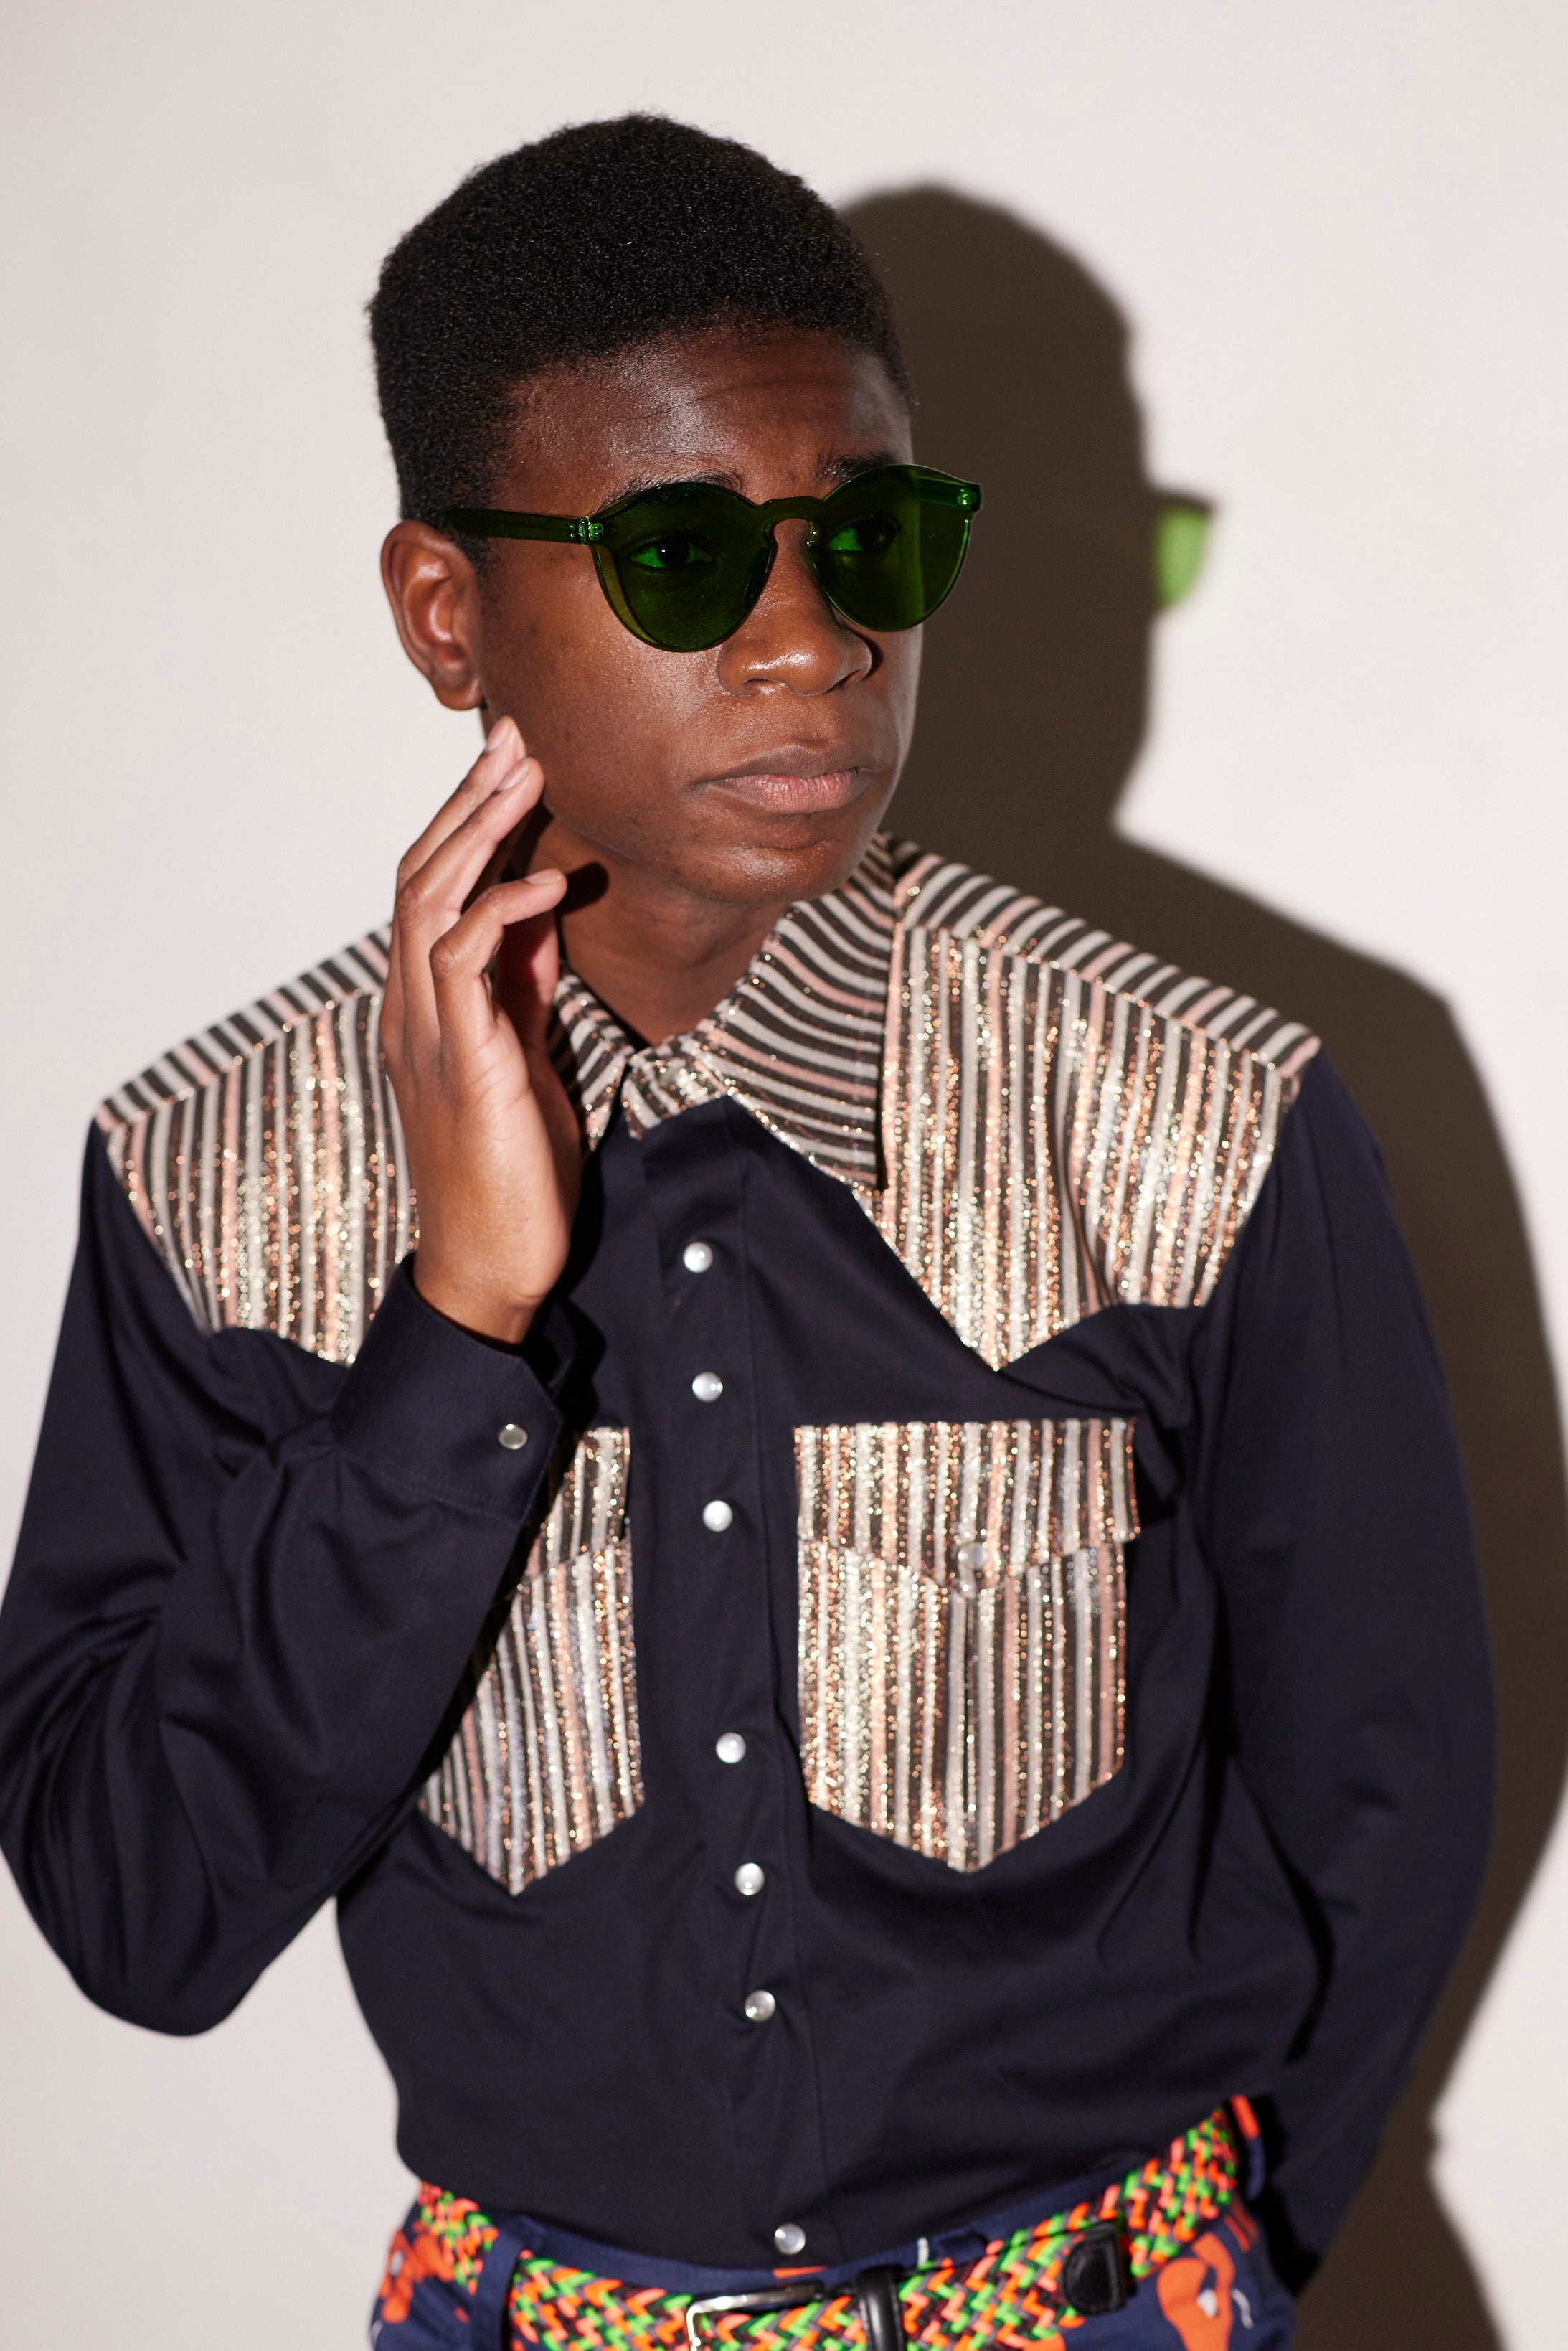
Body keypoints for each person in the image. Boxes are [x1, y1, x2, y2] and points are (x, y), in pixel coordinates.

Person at [0, 115, 1491, 2351]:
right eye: (684, 557)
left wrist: (1216, 2283)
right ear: (445, 611)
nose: (815, 645)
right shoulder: (215, 1180)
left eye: (872, 540)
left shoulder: (1195, 1120)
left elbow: (1388, 1787)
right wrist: (456, 1324)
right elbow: (141, 1915)